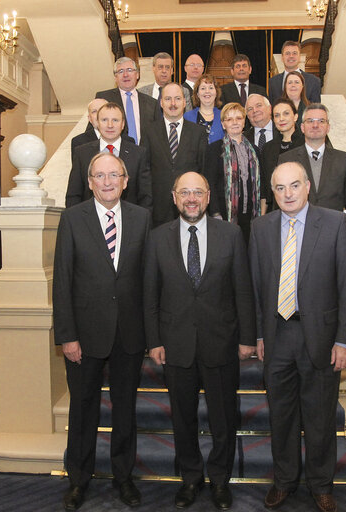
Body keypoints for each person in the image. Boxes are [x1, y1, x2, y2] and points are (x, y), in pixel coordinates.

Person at [249, 161, 346, 512]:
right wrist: (258, 335)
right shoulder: (260, 228)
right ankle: (284, 481)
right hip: (277, 336)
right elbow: (256, 288)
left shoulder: (334, 222)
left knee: (320, 418)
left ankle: (321, 485)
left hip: (323, 340)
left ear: (308, 186)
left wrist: (345, 341)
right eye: (280, 188)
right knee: (281, 416)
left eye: (294, 186)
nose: (287, 194)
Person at [143, 171, 256, 510]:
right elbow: (150, 294)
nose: (191, 199)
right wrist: (154, 340)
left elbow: (243, 290)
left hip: (221, 342)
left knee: (223, 419)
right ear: (174, 197)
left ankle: (220, 479)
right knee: (183, 418)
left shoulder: (232, 234)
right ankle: (190, 478)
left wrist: (247, 338)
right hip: (175, 345)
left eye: (197, 192)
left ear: (208, 197)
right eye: (184, 193)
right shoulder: (157, 238)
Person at [53, 152, 151, 511]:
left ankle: (124, 477)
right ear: (89, 181)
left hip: (129, 333)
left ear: (126, 180)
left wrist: (150, 334)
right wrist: (67, 335)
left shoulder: (143, 219)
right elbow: (62, 281)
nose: (107, 181)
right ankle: (79, 479)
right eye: (99, 175)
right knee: (83, 410)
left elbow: (147, 281)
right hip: (84, 334)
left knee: (125, 409)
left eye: (114, 175)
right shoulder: (72, 219)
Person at [278, 103, 346, 241]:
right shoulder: (287, 159)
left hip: (334, 235)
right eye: (310, 121)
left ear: (328, 127)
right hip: (297, 236)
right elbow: (279, 201)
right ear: (302, 127)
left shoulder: (345, 160)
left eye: (321, 121)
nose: (315, 125)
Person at [141, 82, 208, 226]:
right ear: (161, 103)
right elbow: (144, 171)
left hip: (190, 206)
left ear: (184, 102)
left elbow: (203, 171)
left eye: (177, 98)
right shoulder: (149, 131)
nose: (173, 103)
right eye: (168, 99)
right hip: (157, 209)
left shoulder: (198, 133)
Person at [66, 102, 152, 209]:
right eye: (104, 120)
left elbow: (146, 196)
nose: (110, 125)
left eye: (115, 120)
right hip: (89, 221)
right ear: (97, 123)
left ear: (123, 124)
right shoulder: (82, 153)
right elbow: (73, 195)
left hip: (129, 221)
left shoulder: (139, 154)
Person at [204, 102, 266, 243]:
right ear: (223, 124)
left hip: (251, 215)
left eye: (238, 118)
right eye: (229, 119)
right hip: (224, 215)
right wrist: (215, 214)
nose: (235, 122)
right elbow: (210, 184)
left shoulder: (255, 151)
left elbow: (262, 185)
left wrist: (262, 214)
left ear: (244, 122)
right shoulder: (214, 149)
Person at [96, 56, 159, 145]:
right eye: (121, 71)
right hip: (113, 155)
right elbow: (93, 129)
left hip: (144, 155)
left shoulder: (152, 103)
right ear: (115, 77)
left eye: (129, 70)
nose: (125, 75)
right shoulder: (104, 98)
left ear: (137, 74)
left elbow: (157, 134)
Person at [262, 98, 305, 209]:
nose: (281, 119)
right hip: (274, 209)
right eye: (276, 115)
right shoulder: (268, 148)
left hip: (302, 206)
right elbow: (265, 188)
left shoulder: (306, 144)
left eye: (286, 113)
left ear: (295, 117)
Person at [268, 41, 321, 105]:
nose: (291, 56)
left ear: (299, 57)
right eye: (287, 53)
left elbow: (316, 109)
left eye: (294, 53)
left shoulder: (314, 81)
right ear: (282, 58)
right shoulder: (273, 82)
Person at [183, 74, 224, 143]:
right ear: (198, 94)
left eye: (211, 88)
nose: (207, 91)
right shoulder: (187, 117)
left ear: (216, 92)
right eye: (203, 88)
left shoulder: (224, 116)